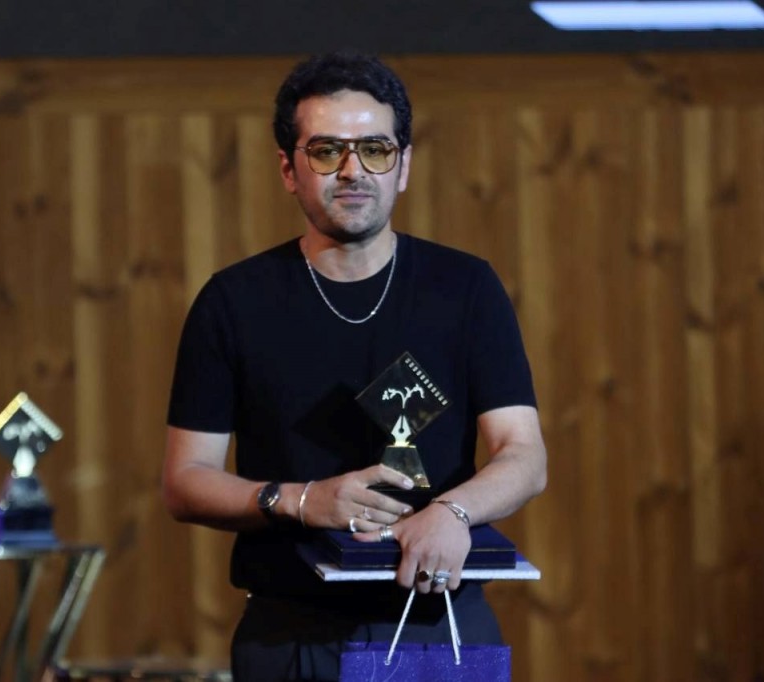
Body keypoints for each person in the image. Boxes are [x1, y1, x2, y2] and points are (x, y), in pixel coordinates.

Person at [162, 52, 547, 682]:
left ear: (403, 166)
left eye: (374, 149)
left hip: (439, 625)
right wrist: (302, 501)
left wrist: (452, 512)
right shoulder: (234, 301)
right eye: (326, 151)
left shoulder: (465, 288)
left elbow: (524, 456)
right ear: (288, 169)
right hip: (292, 635)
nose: (353, 170)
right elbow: (185, 481)